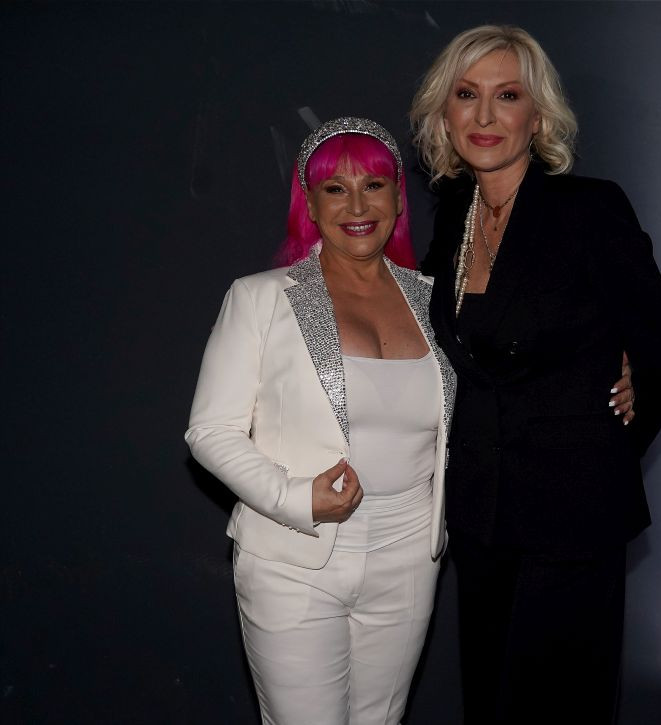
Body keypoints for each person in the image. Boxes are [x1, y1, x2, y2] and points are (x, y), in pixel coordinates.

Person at [410, 26, 661, 724]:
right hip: (481, 514)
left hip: (574, 514)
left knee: (558, 708)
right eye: (467, 95)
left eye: (507, 96)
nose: (485, 116)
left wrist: (616, 420)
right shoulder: (454, 218)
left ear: (537, 117)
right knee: (490, 702)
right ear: (444, 114)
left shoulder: (588, 210)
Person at [185, 117, 456, 724]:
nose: (357, 206)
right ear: (309, 203)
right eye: (336, 189)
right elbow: (210, 431)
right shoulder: (261, 297)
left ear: (398, 198)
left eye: (374, 185)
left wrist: (613, 363)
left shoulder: (436, 301)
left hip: (411, 557)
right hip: (292, 558)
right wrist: (295, 497)